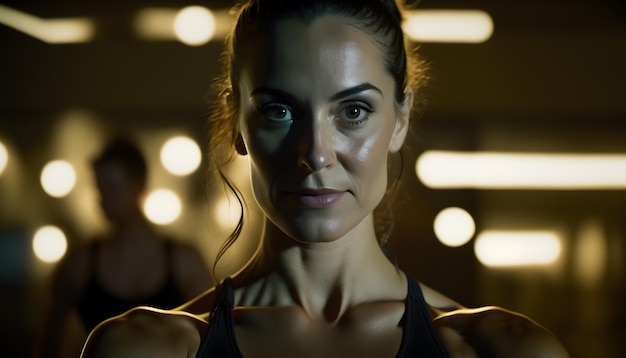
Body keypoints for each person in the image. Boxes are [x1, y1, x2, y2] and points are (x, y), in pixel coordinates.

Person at [81, 1, 570, 357]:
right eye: (278, 110)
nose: (315, 153)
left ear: (400, 120)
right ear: (236, 124)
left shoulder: (500, 351)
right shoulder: (145, 350)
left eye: (353, 110)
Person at [34, 136, 212, 357]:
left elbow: (214, 337)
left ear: (140, 186)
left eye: (112, 187)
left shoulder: (184, 260)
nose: (102, 199)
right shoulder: (79, 263)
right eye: (99, 189)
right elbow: (48, 346)